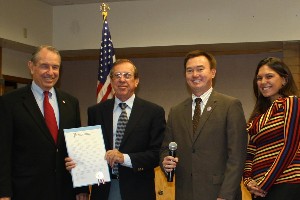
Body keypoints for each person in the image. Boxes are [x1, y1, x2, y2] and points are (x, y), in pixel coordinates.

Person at [66, 59, 166, 200]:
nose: (122, 80)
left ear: (136, 81)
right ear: (111, 82)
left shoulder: (153, 112)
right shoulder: (96, 111)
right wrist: (79, 170)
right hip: (103, 188)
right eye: (117, 76)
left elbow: (157, 154)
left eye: (127, 75)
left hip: (138, 190)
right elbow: (89, 150)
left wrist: (123, 158)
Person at [0, 45, 89, 200]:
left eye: (55, 67)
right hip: (25, 191)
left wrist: (81, 188)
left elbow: (75, 151)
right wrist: (4, 193)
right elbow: (3, 152)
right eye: (44, 66)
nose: (50, 72)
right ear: (31, 67)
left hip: (64, 191)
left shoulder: (70, 103)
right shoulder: (9, 103)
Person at [160, 50, 248, 200]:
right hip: (185, 193)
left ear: (213, 72)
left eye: (200, 69)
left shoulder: (230, 105)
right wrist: (165, 162)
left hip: (219, 193)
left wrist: (226, 195)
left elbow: (237, 156)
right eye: (189, 70)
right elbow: (165, 149)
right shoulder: (176, 111)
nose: (195, 74)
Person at [243, 57, 300, 200]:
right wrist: (248, 181)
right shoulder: (257, 118)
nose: (263, 82)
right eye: (259, 78)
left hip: (287, 184)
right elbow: (250, 154)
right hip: (261, 189)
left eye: (269, 76)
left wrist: (264, 183)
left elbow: (290, 146)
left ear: (284, 80)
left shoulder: (291, 102)